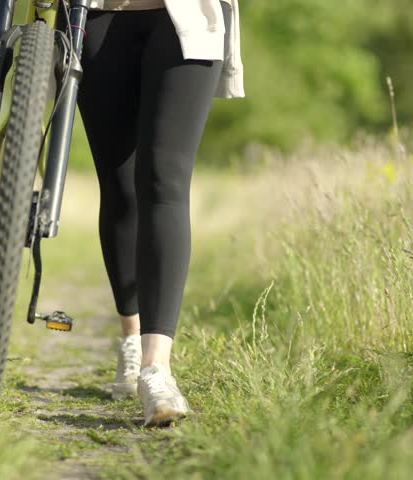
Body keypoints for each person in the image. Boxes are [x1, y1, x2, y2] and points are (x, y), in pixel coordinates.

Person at [74, 0, 244, 426]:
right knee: (119, 184)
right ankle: (131, 338)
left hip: (188, 15)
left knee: (164, 181)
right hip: (97, 14)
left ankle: (157, 369)